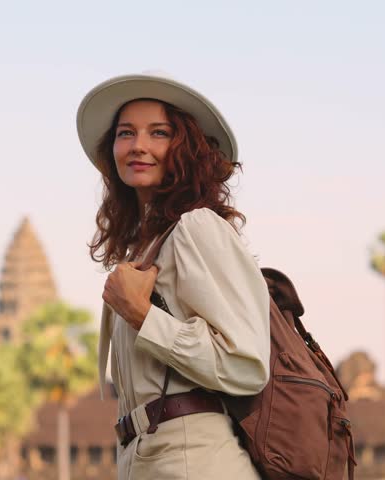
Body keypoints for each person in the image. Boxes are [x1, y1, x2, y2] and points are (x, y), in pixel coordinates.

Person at [76, 73, 271, 479]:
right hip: (148, 459)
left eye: (158, 133)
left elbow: (246, 363)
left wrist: (143, 316)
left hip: (194, 461)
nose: (138, 146)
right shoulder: (147, 246)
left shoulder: (197, 228)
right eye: (125, 133)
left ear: (186, 149)